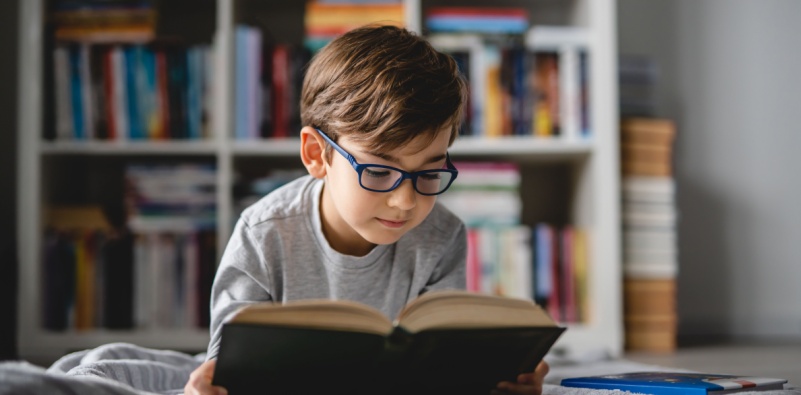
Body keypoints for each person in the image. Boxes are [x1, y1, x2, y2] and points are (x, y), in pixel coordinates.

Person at [184, 24, 549, 395]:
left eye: (428, 172)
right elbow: (225, 368)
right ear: (316, 154)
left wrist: (499, 379)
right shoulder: (263, 234)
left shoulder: (442, 236)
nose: (405, 201)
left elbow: (446, 360)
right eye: (377, 171)